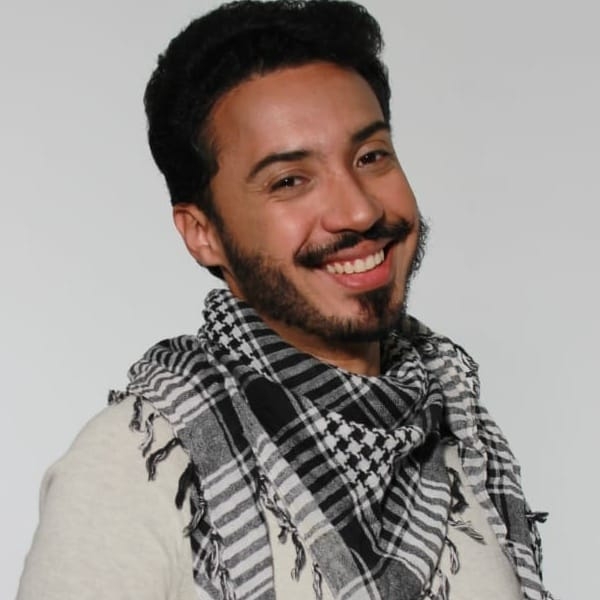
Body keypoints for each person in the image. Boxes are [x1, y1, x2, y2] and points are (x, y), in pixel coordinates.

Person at [17, 1, 554, 599]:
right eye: (290, 181)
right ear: (204, 233)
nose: (359, 211)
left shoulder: (463, 439)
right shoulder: (138, 467)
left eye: (371, 157)